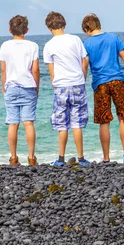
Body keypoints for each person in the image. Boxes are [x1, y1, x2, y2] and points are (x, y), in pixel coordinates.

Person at [81, 13, 124, 164]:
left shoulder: (87, 44)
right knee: (123, 118)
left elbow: (85, 66)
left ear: (87, 29)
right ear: (99, 25)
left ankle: (106, 158)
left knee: (104, 122)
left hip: (100, 84)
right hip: (118, 81)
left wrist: (81, 83)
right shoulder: (113, 38)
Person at [43, 11, 90, 167]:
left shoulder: (49, 45)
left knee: (61, 123)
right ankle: (81, 158)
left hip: (61, 86)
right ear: (64, 25)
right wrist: (82, 76)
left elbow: (52, 70)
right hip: (77, 83)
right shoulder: (75, 39)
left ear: (49, 28)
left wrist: (54, 84)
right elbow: (85, 60)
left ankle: (61, 159)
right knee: (77, 122)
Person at [0, 15, 40, 166]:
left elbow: (3, 70)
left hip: (11, 86)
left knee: (13, 123)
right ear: (27, 30)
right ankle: (31, 157)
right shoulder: (32, 46)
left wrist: (4, 87)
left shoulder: (5, 46)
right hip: (28, 86)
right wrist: (37, 87)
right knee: (28, 123)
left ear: (10, 30)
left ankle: (14, 157)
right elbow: (35, 70)